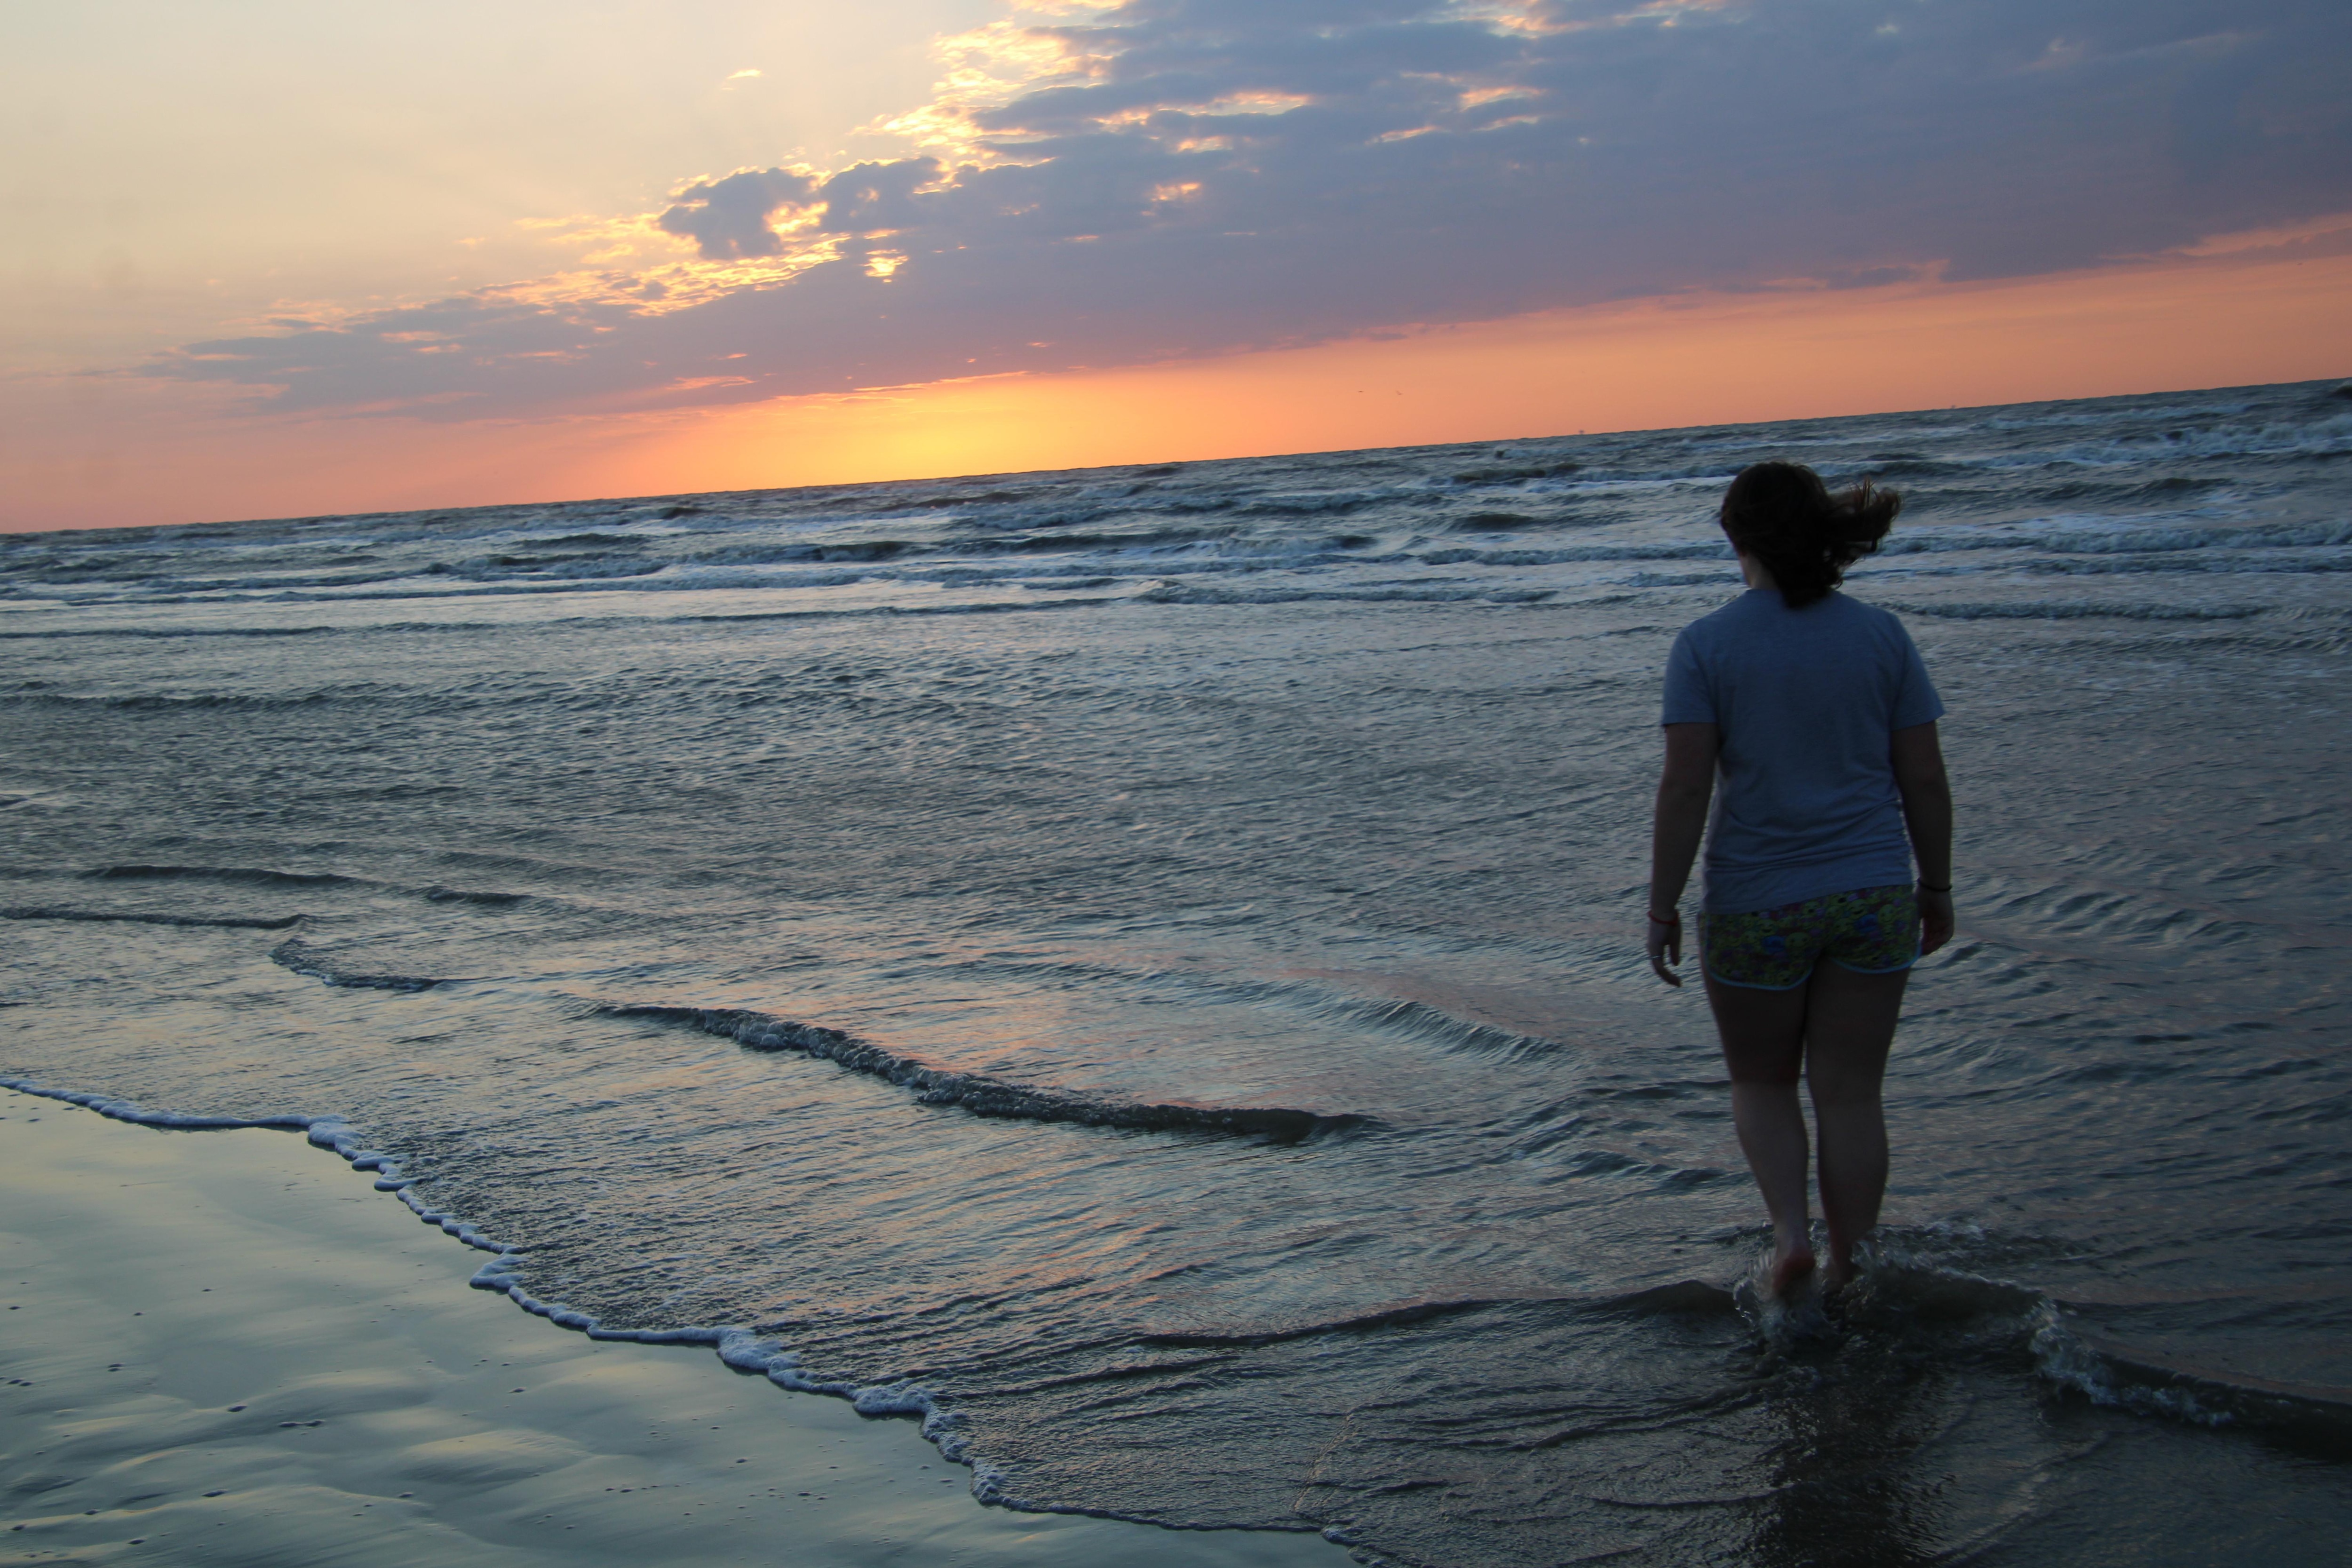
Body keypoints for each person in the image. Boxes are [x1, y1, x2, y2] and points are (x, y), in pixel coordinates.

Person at [1645, 461, 1954, 1299]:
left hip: (1757, 899)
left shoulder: (1706, 644)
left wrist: (1662, 905)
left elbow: (1686, 785)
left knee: (1762, 1080)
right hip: (1874, 892)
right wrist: (1938, 886)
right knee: (1852, 1094)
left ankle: (1790, 1238)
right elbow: (1923, 776)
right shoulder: (1881, 635)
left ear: (1733, 535)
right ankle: (1854, 1264)